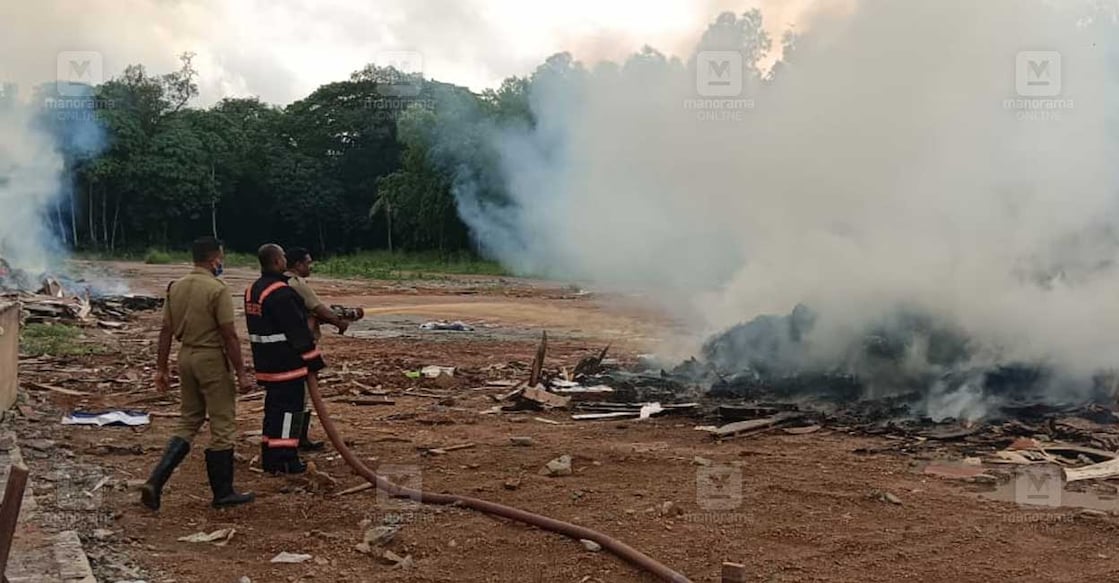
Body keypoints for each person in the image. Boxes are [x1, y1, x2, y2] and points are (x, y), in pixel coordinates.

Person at [140, 237, 255, 510]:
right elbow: (229, 335)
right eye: (221, 258)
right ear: (215, 258)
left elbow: (166, 330)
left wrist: (161, 368)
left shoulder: (176, 287)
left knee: (188, 420)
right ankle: (223, 492)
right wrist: (241, 373)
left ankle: (156, 480)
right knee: (222, 424)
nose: (222, 263)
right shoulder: (217, 289)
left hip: (186, 357)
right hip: (211, 359)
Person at [245, 243, 327, 474]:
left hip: (266, 363)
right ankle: (286, 459)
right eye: (282, 257)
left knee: (273, 411)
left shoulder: (254, 289)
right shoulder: (281, 292)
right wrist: (314, 361)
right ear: (276, 262)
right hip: (286, 364)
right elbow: (298, 332)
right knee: (290, 413)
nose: (284, 261)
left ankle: (270, 456)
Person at [282, 247, 347, 451]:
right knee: (298, 397)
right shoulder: (296, 283)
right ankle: (293, 441)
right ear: (298, 264)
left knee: (291, 397)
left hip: (285, 347)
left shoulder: (278, 283)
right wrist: (339, 322)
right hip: (301, 346)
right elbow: (319, 308)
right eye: (308, 262)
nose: (310, 266)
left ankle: (291, 440)